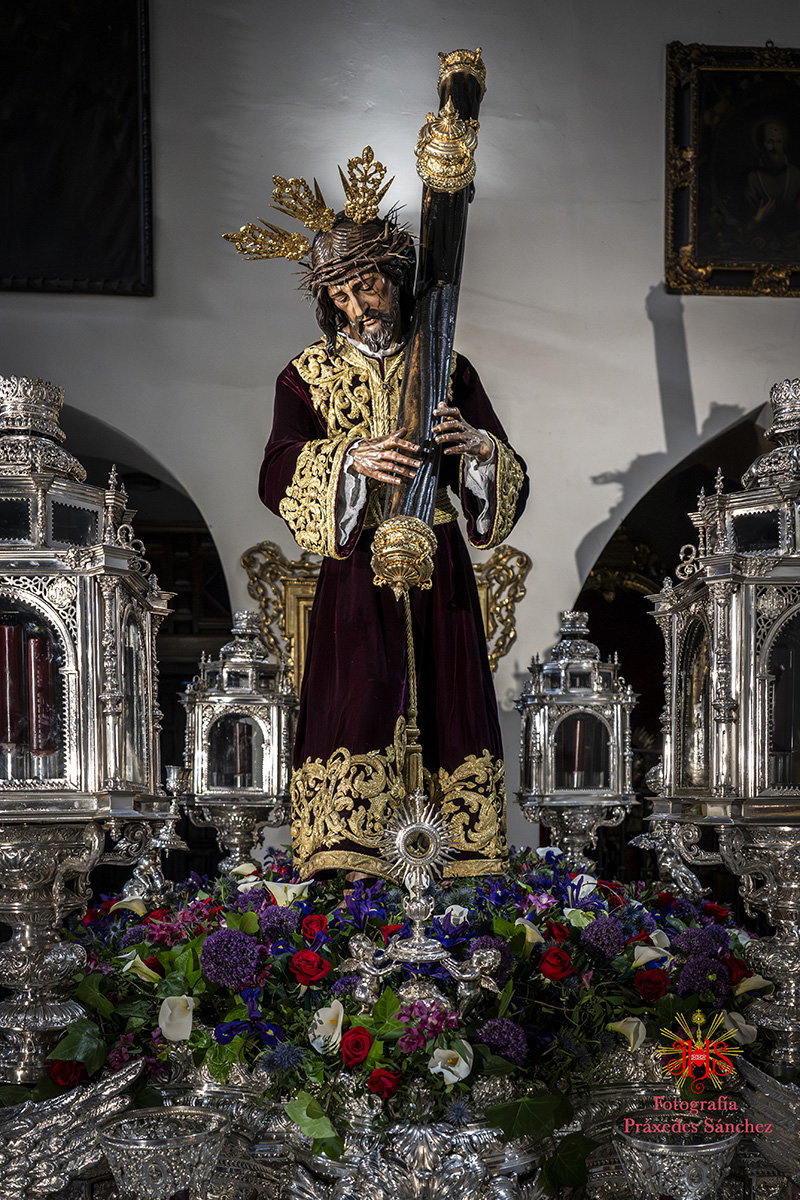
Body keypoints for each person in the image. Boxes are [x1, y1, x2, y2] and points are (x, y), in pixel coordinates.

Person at [248, 153, 528, 879]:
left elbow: (505, 469)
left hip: (438, 565)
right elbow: (277, 469)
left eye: (365, 285)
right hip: (355, 577)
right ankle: (351, 873)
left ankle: (459, 874)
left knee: (448, 701)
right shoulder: (306, 375)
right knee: (357, 701)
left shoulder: (446, 365)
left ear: (395, 277)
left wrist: (477, 450)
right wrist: (349, 458)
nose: (356, 307)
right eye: (339, 295)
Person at [744, 118, 800, 234]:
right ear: (761, 145)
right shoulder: (753, 178)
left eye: (779, 142)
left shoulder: (795, 174)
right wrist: (757, 219)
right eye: (769, 142)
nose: (775, 148)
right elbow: (746, 223)